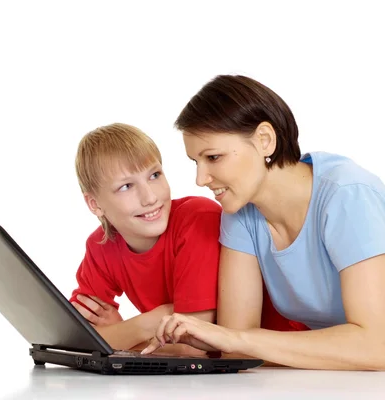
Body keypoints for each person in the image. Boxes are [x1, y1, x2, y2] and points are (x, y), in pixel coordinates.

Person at [141, 75, 385, 371]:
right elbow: (236, 348)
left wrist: (236, 339)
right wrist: (221, 339)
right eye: (196, 161)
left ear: (265, 140)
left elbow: (376, 346)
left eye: (214, 157)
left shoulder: (347, 195)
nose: (200, 179)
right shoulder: (241, 212)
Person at [69, 122, 304, 355]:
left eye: (154, 175)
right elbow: (73, 336)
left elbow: (193, 348)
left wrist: (118, 335)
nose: (150, 197)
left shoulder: (196, 219)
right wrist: (146, 324)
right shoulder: (100, 246)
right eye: (126, 186)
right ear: (95, 204)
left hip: (279, 358)